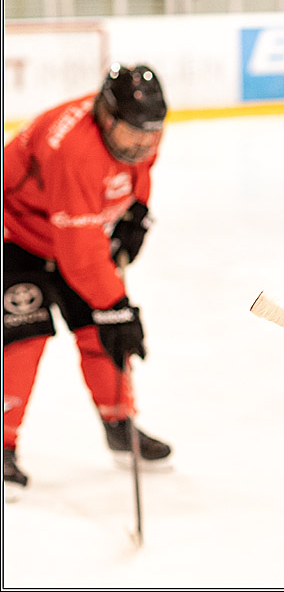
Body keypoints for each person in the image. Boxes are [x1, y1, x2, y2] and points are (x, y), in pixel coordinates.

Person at [4, 63, 173, 496]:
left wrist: (136, 212)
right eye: (133, 133)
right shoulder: (74, 151)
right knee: (24, 334)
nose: (142, 142)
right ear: (105, 115)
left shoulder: (141, 129)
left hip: (71, 230)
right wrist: (118, 306)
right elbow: (78, 253)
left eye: (149, 133)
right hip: (15, 232)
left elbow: (138, 171)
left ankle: (120, 425)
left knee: (102, 333)